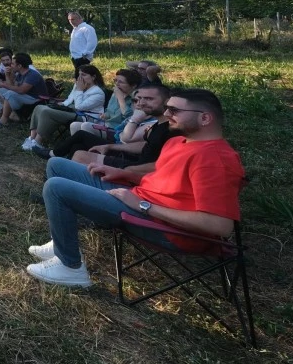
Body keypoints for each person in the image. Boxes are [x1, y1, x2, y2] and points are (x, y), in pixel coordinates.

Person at [24, 89, 244, 288]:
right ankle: (61, 243)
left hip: (165, 227)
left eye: (174, 110)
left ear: (205, 118)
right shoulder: (179, 142)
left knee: (56, 188)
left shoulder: (215, 159)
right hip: (139, 199)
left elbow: (219, 226)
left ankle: (70, 267)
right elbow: (162, 175)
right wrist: (126, 174)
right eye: (167, 108)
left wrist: (144, 206)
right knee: (57, 165)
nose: (166, 114)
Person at [49, 79, 165, 161]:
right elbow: (120, 129)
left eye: (149, 99)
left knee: (82, 134)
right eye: (136, 100)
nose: (141, 103)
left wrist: (134, 119)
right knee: (78, 143)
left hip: (127, 156)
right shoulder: (117, 96)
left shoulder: (153, 122)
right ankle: (65, 165)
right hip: (117, 141)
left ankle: (55, 155)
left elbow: (125, 138)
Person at [72, 84, 180, 169]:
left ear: (167, 101)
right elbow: (147, 145)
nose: (141, 103)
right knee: (79, 148)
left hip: (138, 171)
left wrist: (122, 171)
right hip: (134, 161)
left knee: (80, 156)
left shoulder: (172, 129)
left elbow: (157, 167)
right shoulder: (158, 124)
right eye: (139, 99)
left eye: (148, 99)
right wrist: (110, 146)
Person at [21, 64, 106, 152]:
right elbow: (70, 99)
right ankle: (31, 137)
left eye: (84, 75)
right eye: (79, 74)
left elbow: (79, 107)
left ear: (93, 77)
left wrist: (79, 90)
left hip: (86, 117)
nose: (80, 78)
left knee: (47, 112)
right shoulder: (79, 85)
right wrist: (62, 105)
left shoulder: (98, 93)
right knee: (39, 107)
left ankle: (37, 142)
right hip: (73, 110)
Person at [0, 52, 47, 128]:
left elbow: (21, 90)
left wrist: (3, 84)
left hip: (37, 99)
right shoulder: (20, 74)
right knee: (2, 90)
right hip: (27, 96)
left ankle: (3, 120)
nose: (10, 65)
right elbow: (13, 86)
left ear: (19, 66)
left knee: (9, 94)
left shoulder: (32, 75)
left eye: (13, 64)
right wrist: (7, 75)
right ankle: (11, 113)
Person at [67, 11, 98, 78]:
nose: (71, 21)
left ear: (80, 19)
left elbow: (92, 42)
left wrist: (85, 54)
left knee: (81, 77)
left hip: (83, 58)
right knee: (78, 76)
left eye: (73, 19)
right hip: (75, 57)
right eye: (69, 19)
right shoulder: (75, 29)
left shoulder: (87, 28)